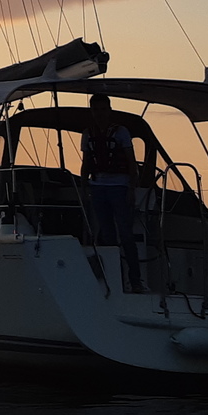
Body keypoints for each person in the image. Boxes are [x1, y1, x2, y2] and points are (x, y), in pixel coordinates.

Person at [80, 93, 145, 293]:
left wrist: (131, 189)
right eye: (96, 110)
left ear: (109, 110)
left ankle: (135, 281)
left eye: (103, 109)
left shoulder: (121, 132)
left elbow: (131, 163)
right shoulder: (88, 134)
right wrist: (84, 189)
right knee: (107, 235)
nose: (100, 114)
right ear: (92, 112)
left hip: (120, 187)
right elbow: (86, 163)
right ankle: (115, 280)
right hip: (98, 187)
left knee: (126, 234)